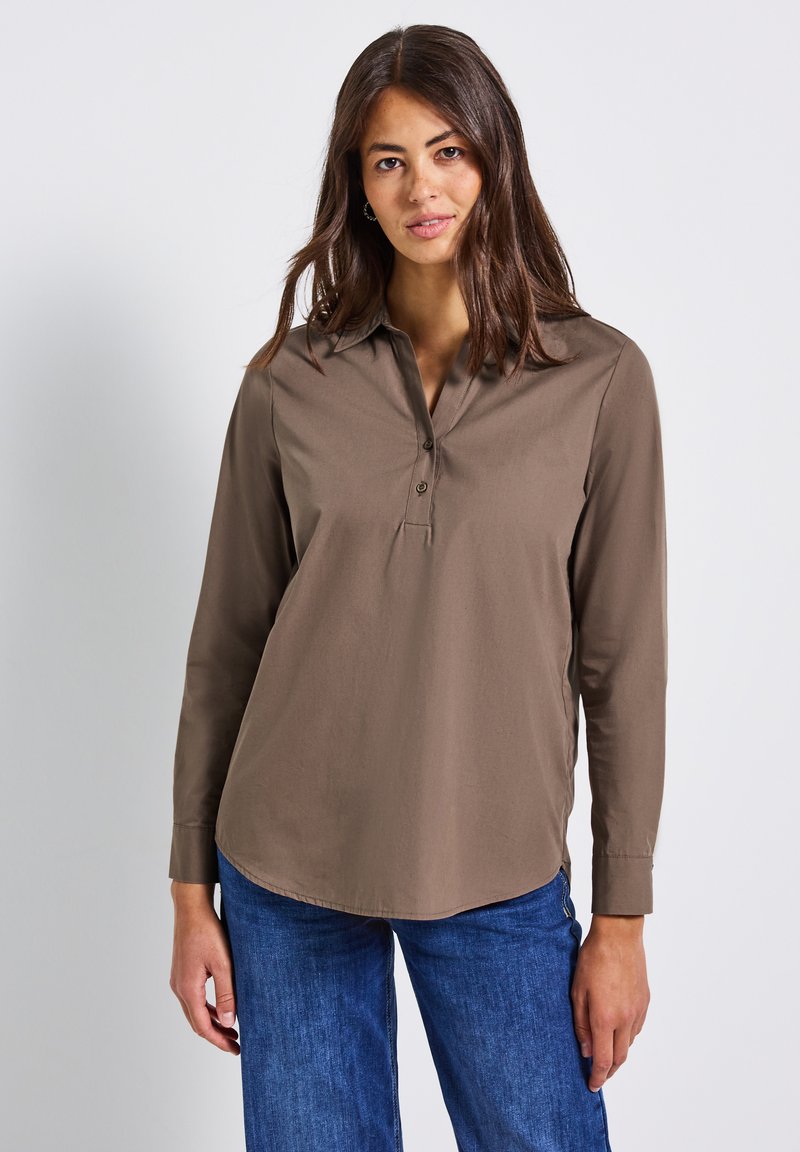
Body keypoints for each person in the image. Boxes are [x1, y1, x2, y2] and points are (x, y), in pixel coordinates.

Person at [168, 23, 667, 1152]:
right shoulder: (289, 381)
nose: (421, 189)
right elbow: (226, 648)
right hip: (287, 870)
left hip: (494, 869)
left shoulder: (598, 381)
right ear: (357, 182)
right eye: (387, 160)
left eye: (447, 152)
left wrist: (621, 918)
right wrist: (191, 890)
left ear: (494, 157)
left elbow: (624, 668)